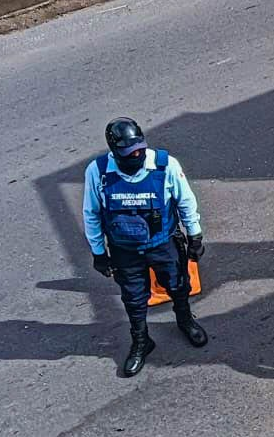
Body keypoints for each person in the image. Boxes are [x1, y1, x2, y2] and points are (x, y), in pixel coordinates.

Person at [83, 118, 209, 377]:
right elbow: (92, 214)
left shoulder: (165, 165)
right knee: (134, 298)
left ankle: (185, 321)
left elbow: (185, 201)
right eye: (130, 153)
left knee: (177, 285)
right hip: (124, 251)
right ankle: (141, 341)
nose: (136, 155)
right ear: (114, 151)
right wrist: (98, 253)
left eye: (139, 149)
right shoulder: (98, 171)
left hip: (163, 244)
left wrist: (195, 236)